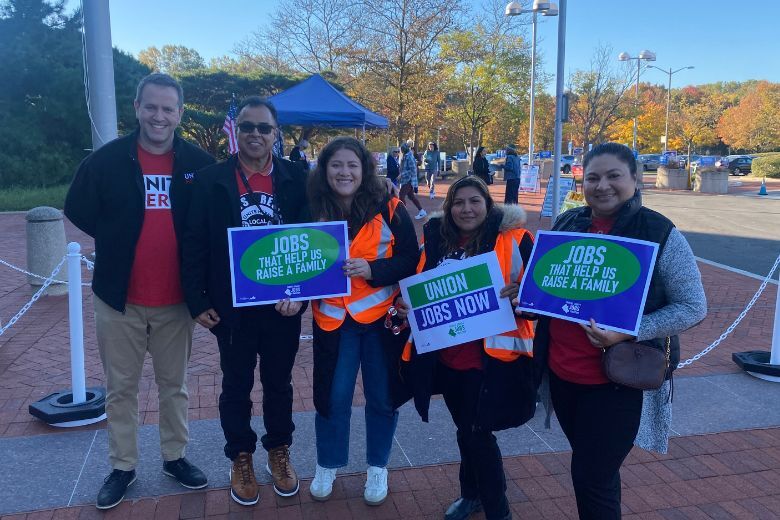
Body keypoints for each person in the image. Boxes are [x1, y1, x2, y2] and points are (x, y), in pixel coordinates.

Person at [530, 142, 707, 520]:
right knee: (597, 471)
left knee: (590, 476)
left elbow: (694, 306)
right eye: (592, 177)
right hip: (563, 375)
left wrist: (631, 332)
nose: (602, 186)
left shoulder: (659, 231)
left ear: (635, 179)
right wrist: (527, 291)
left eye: (614, 176)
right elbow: (549, 284)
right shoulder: (568, 222)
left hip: (616, 382)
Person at [64, 73, 214, 510]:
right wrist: (117, 238)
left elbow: (208, 223)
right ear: (136, 108)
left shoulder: (198, 163)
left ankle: (175, 457)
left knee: (175, 386)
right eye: (151, 107)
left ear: (179, 113)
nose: (159, 116)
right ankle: (123, 466)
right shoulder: (107, 161)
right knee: (121, 388)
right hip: (119, 298)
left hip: (176, 301)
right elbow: (78, 208)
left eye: (168, 108)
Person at [181, 96, 309, 506]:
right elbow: (194, 242)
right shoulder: (210, 179)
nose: (256, 134)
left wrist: (301, 296)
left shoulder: (297, 177)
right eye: (248, 127)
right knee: (236, 384)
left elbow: (312, 243)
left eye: (264, 128)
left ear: (276, 133)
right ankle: (240, 455)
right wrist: (196, 299)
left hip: (281, 308)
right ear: (236, 131)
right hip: (231, 308)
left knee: (279, 383)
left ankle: (278, 449)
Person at [395, 176, 537, 520]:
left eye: (475, 201)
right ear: (449, 207)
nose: (466, 209)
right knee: (466, 431)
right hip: (447, 358)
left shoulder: (516, 238)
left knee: (478, 434)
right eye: (459, 202)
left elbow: (541, 298)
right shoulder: (436, 239)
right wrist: (404, 303)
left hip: (491, 359)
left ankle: (496, 509)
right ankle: (471, 494)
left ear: (488, 205)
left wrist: (523, 295)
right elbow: (416, 287)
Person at [306, 137, 419, 506]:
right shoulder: (311, 207)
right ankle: (328, 462)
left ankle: (377, 466)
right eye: (336, 165)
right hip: (333, 320)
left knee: (382, 396)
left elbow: (409, 260)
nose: (344, 172)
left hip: (379, 320)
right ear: (325, 169)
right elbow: (296, 260)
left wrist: (373, 269)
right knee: (332, 396)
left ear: (364, 169)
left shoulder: (391, 207)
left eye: (352, 165)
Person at [398, 142, 426, 220]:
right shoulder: (405, 156)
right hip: (406, 180)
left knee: (401, 196)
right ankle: (422, 211)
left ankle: (404, 214)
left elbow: (413, 170)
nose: (401, 150)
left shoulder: (409, 157)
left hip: (408, 180)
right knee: (411, 196)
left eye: (402, 149)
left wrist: (401, 174)